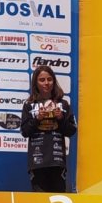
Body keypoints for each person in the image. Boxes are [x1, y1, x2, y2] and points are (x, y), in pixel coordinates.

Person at [21, 64, 77, 192]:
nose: (46, 83)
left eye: (49, 79)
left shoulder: (63, 104)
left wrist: (61, 118)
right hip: (37, 162)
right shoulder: (29, 105)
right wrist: (37, 119)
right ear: (35, 83)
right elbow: (24, 131)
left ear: (54, 81)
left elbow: (71, 130)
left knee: (57, 198)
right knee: (40, 200)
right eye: (42, 80)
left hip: (57, 161)